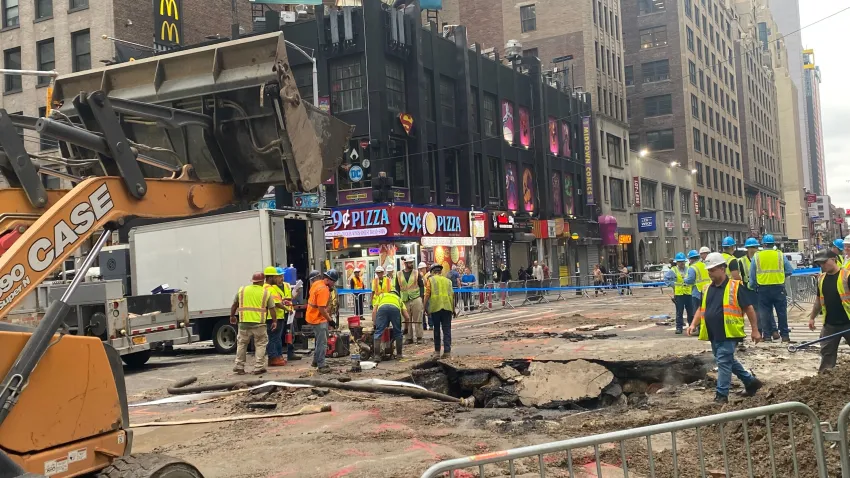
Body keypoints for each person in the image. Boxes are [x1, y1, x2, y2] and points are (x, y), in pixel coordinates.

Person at [687, 253, 763, 403]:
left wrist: (755, 330)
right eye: (708, 270)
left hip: (729, 333)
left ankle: (721, 395)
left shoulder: (735, 287)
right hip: (714, 333)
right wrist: (693, 324)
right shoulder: (707, 288)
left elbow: (749, 308)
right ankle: (751, 382)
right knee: (727, 360)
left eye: (712, 270)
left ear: (722, 269)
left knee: (723, 362)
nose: (710, 273)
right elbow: (702, 309)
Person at [809, 250, 850, 373]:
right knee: (827, 355)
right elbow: (818, 301)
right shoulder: (821, 279)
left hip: (848, 322)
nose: (822, 266)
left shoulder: (847, 276)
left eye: (824, 262)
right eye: (820, 263)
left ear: (834, 259)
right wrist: (812, 317)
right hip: (830, 325)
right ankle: (824, 380)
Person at [749, 234, 794, 342]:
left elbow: (752, 274)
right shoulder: (779, 255)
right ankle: (785, 336)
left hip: (763, 289)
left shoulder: (757, 256)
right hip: (778, 288)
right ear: (774, 244)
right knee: (781, 313)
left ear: (763, 244)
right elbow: (789, 270)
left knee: (765, 313)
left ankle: (767, 336)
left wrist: (753, 286)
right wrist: (780, 277)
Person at [231, 272, 276, 375]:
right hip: (259, 324)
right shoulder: (266, 292)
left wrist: (232, 316)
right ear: (262, 281)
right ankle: (258, 367)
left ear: (253, 281)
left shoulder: (242, 290)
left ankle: (239, 366)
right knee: (260, 344)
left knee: (242, 344)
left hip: (244, 323)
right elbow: (272, 309)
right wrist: (274, 321)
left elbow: (234, 305)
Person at [306, 269, 338, 374]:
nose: (334, 285)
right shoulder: (324, 290)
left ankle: (316, 361)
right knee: (322, 343)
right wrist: (330, 320)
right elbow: (321, 309)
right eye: (333, 282)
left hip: (311, 316)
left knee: (319, 341)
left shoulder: (317, 283)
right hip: (318, 318)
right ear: (328, 280)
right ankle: (321, 365)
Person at [424, 263, 456, 359]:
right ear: (440, 271)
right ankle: (447, 352)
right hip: (447, 308)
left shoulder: (431, 280)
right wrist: (453, 309)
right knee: (447, 330)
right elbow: (452, 296)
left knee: (436, 330)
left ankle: (437, 352)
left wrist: (424, 307)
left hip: (436, 308)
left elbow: (427, 294)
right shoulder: (448, 281)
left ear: (433, 272)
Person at [371, 290, 409, 362]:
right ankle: (399, 355)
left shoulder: (382, 295)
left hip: (382, 309)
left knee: (378, 333)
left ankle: (377, 356)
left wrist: (375, 324)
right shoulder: (398, 299)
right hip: (395, 309)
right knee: (398, 333)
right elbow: (407, 317)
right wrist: (406, 328)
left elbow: (374, 311)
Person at [263, 266, 290, 367]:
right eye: (276, 276)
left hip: (273, 316)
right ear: (270, 278)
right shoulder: (269, 288)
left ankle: (277, 357)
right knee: (274, 338)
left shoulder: (267, 288)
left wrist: (283, 301)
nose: (278, 278)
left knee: (276, 338)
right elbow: (276, 303)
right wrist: (287, 309)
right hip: (273, 317)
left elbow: (277, 301)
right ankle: (274, 358)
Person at [396, 256, 425, 344]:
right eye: (409, 263)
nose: (411, 264)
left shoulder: (416, 273)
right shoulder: (399, 274)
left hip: (416, 298)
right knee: (406, 319)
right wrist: (398, 299)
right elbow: (397, 288)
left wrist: (421, 297)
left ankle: (419, 337)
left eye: (412, 262)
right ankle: (408, 338)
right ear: (405, 263)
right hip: (404, 299)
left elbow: (421, 285)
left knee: (418, 318)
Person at [665, 253, 693, 334]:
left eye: (683, 261)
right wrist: (672, 285)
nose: (682, 263)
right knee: (679, 312)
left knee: (690, 312)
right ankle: (679, 327)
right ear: (676, 262)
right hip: (679, 294)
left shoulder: (689, 269)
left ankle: (691, 326)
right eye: (680, 261)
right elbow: (666, 279)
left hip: (688, 293)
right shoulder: (673, 270)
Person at [684, 249, 710, 324]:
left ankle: (699, 328)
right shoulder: (704, 265)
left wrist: (684, 279)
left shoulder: (693, 267)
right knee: (706, 310)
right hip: (707, 290)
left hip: (697, 292)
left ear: (691, 259)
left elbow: (690, 280)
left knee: (697, 311)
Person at [418, 261, 431, 330]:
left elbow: (427, 284)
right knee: (422, 311)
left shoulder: (428, 275)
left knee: (428, 310)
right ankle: (424, 325)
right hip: (421, 295)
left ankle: (431, 324)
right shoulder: (418, 276)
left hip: (427, 295)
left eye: (423, 269)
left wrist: (423, 277)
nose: (422, 270)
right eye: (420, 269)